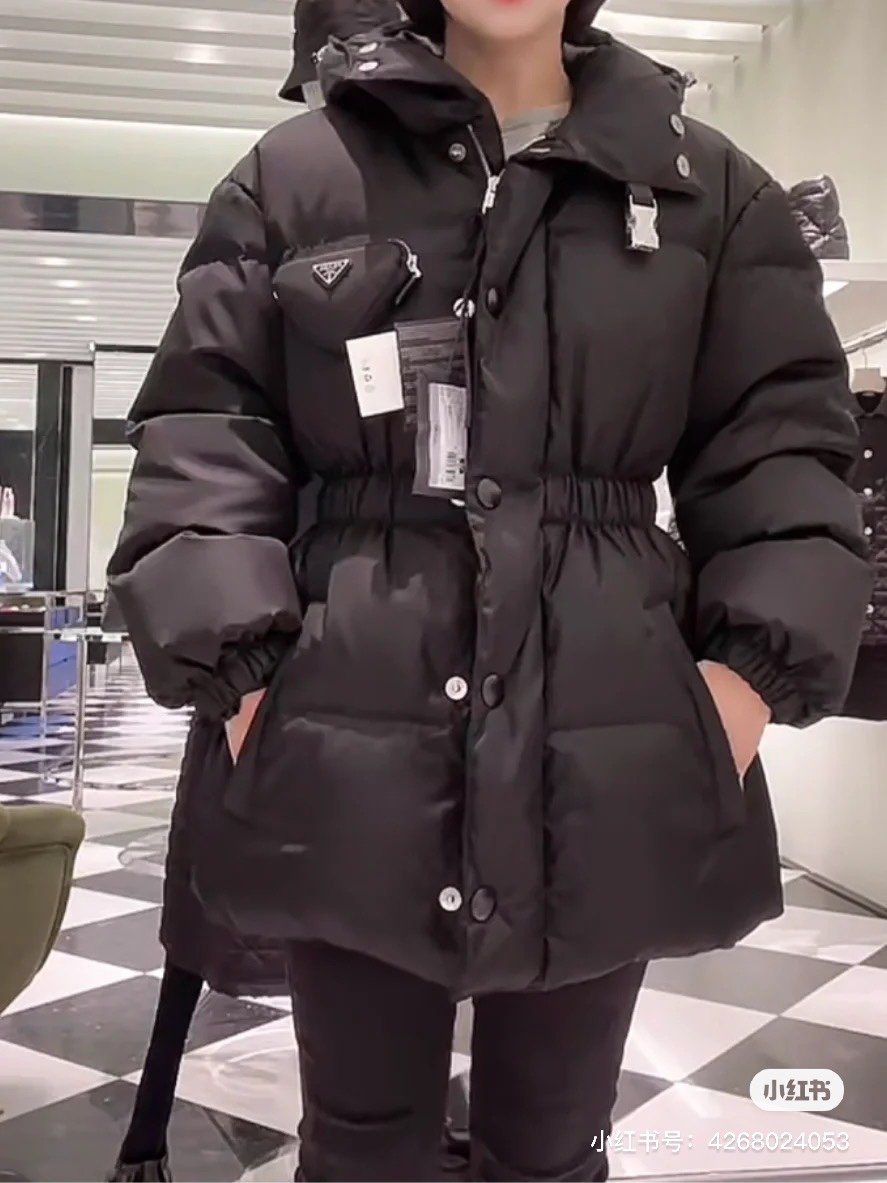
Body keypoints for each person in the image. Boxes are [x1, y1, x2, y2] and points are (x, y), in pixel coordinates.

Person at [108, 0, 871, 1178]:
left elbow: (780, 449)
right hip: (345, 743)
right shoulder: (299, 174)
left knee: (551, 1150)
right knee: (359, 1148)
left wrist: (742, 686)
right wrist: (246, 678)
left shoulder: (701, 186)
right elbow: (206, 433)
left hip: (605, 747)